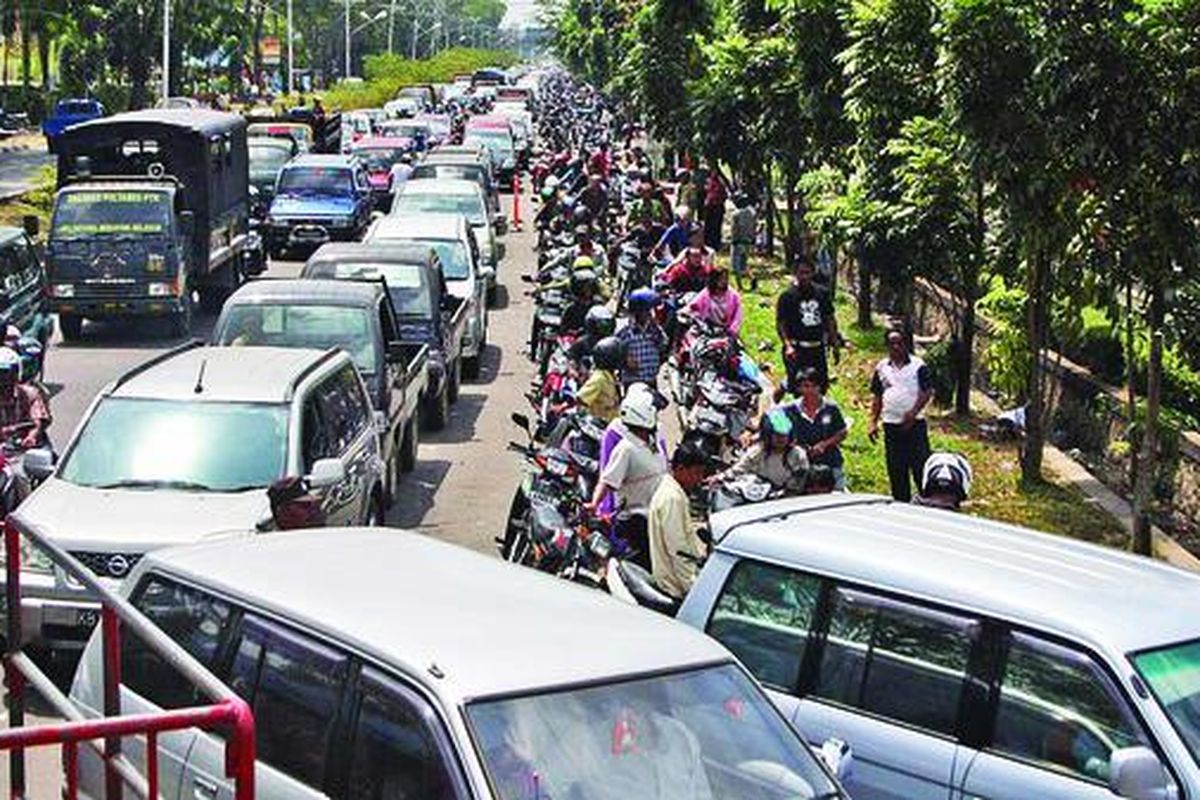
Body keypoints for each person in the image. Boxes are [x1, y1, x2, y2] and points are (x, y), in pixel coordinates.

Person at [590, 388, 669, 569]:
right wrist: (596, 506)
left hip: (656, 515)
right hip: (636, 520)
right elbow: (607, 480)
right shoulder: (625, 448)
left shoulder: (652, 440)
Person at [868, 329, 934, 502]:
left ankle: (928, 501)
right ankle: (901, 502)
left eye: (900, 343)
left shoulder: (918, 365)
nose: (896, 347)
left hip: (915, 425)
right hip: (891, 425)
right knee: (896, 468)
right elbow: (877, 396)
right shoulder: (882, 367)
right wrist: (873, 422)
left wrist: (913, 413)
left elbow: (927, 392)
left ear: (906, 344)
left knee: (920, 465)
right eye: (892, 343)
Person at [648, 443, 710, 599]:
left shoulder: (673, 491)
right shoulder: (672, 499)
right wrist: (693, 590)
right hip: (674, 587)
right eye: (696, 473)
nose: (699, 479)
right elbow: (678, 551)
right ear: (681, 469)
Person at [775, 256, 840, 396]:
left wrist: (835, 343)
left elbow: (830, 319)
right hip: (797, 349)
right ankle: (784, 386)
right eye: (801, 272)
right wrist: (787, 345)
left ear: (813, 273)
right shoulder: (787, 296)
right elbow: (781, 323)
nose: (804, 276)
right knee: (798, 388)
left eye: (807, 272)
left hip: (817, 348)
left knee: (820, 386)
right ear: (795, 273)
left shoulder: (822, 293)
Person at [711, 408, 810, 494]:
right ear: (767, 434)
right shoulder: (757, 452)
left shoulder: (798, 455)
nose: (781, 439)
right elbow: (739, 469)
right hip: (756, 494)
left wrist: (789, 491)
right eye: (777, 435)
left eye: (784, 435)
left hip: (785, 499)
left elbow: (801, 480)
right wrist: (720, 477)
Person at [784, 368, 848, 490]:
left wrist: (824, 444)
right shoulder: (789, 409)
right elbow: (778, 429)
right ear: (799, 389)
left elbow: (842, 432)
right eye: (806, 386)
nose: (811, 390)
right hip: (801, 463)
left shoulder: (831, 408)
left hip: (830, 461)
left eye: (814, 386)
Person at [616, 288, 667, 389]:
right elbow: (615, 351)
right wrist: (625, 360)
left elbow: (663, 345)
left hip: (650, 378)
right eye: (646, 310)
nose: (649, 313)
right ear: (637, 311)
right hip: (632, 381)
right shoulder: (625, 329)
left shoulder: (653, 327)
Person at [577, 337, 624, 422]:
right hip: (600, 425)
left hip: (612, 422)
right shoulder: (599, 378)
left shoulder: (611, 376)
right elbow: (581, 398)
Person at [685, 268, 743, 337]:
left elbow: (738, 316)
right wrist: (685, 312)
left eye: (725, 278)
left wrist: (732, 329)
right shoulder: (706, 293)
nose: (723, 281)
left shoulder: (734, 296)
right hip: (708, 329)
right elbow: (693, 305)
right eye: (721, 278)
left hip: (726, 330)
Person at [660, 228, 714, 295]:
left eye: (700, 236)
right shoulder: (680, 268)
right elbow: (675, 263)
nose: (699, 239)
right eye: (696, 236)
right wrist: (664, 272)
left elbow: (710, 270)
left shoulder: (710, 252)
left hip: (700, 282)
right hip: (685, 285)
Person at [729, 193, 758, 290]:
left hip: (738, 242)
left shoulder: (735, 214)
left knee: (735, 266)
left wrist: (733, 240)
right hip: (748, 242)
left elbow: (734, 229)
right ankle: (752, 278)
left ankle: (739, 286)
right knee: (744, 265)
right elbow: (754, 227)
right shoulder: (752, 213)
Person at [702, 168, 727, 250]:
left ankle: (715, 244)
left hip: (717, 207)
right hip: (709, 207)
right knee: (708, 226)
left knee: (716, 227)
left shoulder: (721, 184)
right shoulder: (708, 182)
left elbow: (724, 196)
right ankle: (707, 243)